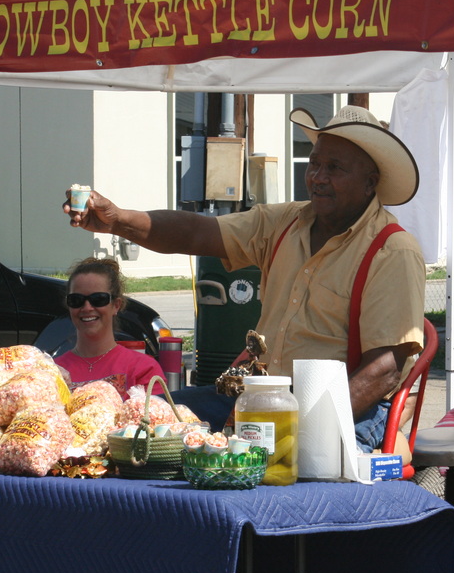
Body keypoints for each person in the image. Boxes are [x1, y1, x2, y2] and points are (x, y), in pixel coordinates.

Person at [63, 105, 425, 452]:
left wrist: (304, 431)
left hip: (346, 410)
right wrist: (117, 220)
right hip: (261, 400)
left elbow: (383, 371)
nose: (317, 177)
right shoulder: (283, 223)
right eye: (314, 163)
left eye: (334, 168)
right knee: (144, 422)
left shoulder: (392, 251)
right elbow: (194, 233)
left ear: (369, 183)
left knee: (276, 468)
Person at [54, 256, 165, 400]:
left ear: (116, 305)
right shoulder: (53, 372)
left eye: (98, 299)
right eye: (77, 300)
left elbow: (157, 419)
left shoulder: (143, 369)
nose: (87, 307)